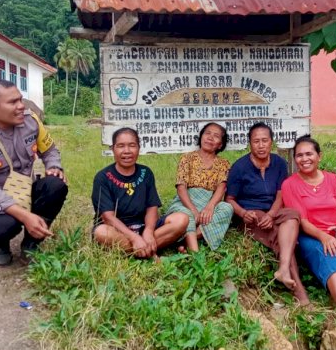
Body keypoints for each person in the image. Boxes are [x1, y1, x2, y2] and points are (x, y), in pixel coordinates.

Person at [0, 80, 68, 266]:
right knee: (4, 226)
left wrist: (54, 167)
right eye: (13, 102)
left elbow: (50, 151)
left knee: (56, 185)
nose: (20, 106)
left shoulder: (31, 122)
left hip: (26, 190)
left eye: (20, 99)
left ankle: (32, 243)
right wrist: (25, 216)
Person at [281, 135, 336, 328]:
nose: (304, 159)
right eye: (299, 155)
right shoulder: (290, 184)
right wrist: (324, 237)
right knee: (328, 250)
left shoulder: (333, 179)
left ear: (319, 156)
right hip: (309, 236)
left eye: (309, 154)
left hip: (335, 232)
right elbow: (302, 222)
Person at [225, 122, 309, 304]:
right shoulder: (239, 167)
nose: (261, 145)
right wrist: (242, 213)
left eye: (265, 140)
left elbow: (280, 193)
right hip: (251, 215)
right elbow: (229, 199)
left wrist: (271, 214)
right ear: (250, 143)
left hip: (273, 211)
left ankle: (283, 269)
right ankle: (299, 292)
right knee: (280, 237)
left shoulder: (279, 163)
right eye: (256, 141)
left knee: (293, 214)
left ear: (271, 142)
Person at [92, 127, 188, 258]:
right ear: (113, 149)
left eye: (132, 145)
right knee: (101, 232)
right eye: (121, 146)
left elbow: (152, 207)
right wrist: (133, 237)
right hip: (118, 231)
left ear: (138, 148)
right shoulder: (103, 177)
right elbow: (108, 217)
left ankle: (138, 250)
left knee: (181, 219)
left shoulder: (146, 173)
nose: (127, 151)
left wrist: (148, 232)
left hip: (143, 227)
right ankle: (149, 251)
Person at [165, 122, 233, 251]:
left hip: (208, 202)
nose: (210, 137)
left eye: (216, 136)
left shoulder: (223, 163)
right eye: (207, 133)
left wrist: (210, 207)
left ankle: (185, 241)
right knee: (187, 216)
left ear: (220, 144)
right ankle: (195, 254)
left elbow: (221, 187)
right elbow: (181, 187)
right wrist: (194, 210)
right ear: (201, 137)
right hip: (185, 202)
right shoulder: (187, 158)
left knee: (227, 208)